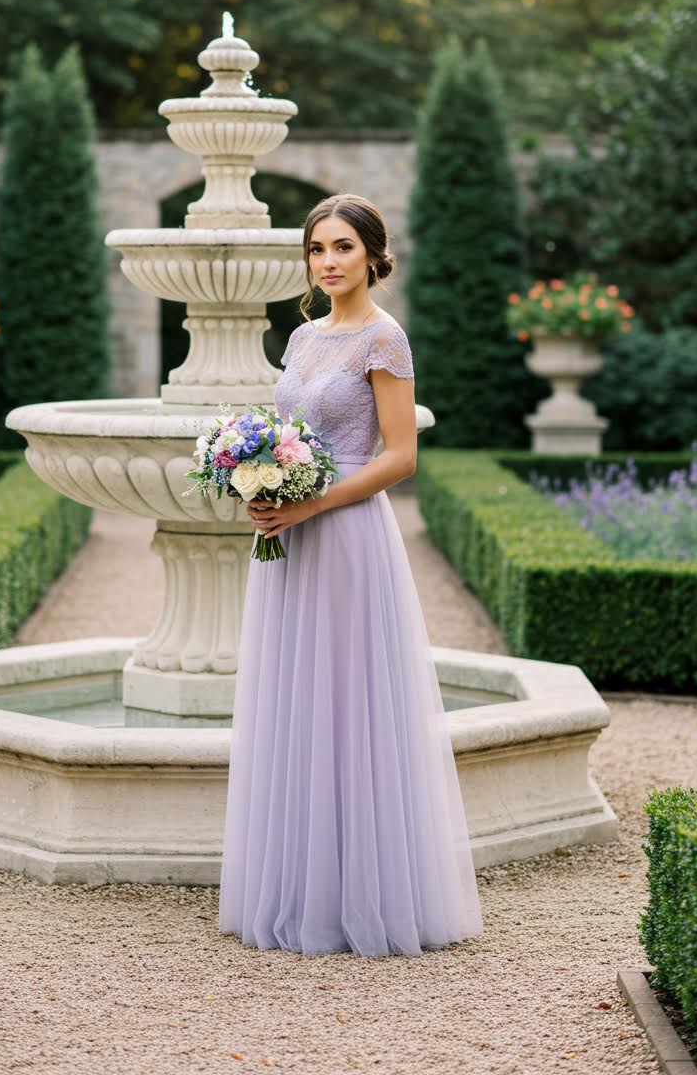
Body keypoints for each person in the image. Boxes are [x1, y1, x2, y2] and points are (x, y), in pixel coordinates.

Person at [218, 192, 484, 956]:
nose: (328, 262)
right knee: (294, 698)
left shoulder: (384, 338)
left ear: (372, 253)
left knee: (348, 702)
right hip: (288, 541)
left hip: (348, 539)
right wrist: (259, 483)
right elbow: (292, 436)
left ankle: (362, 898)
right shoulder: (302, 340)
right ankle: (301, 886)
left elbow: (400, 455)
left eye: (341, 248)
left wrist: (311, 506)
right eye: (316, 250)